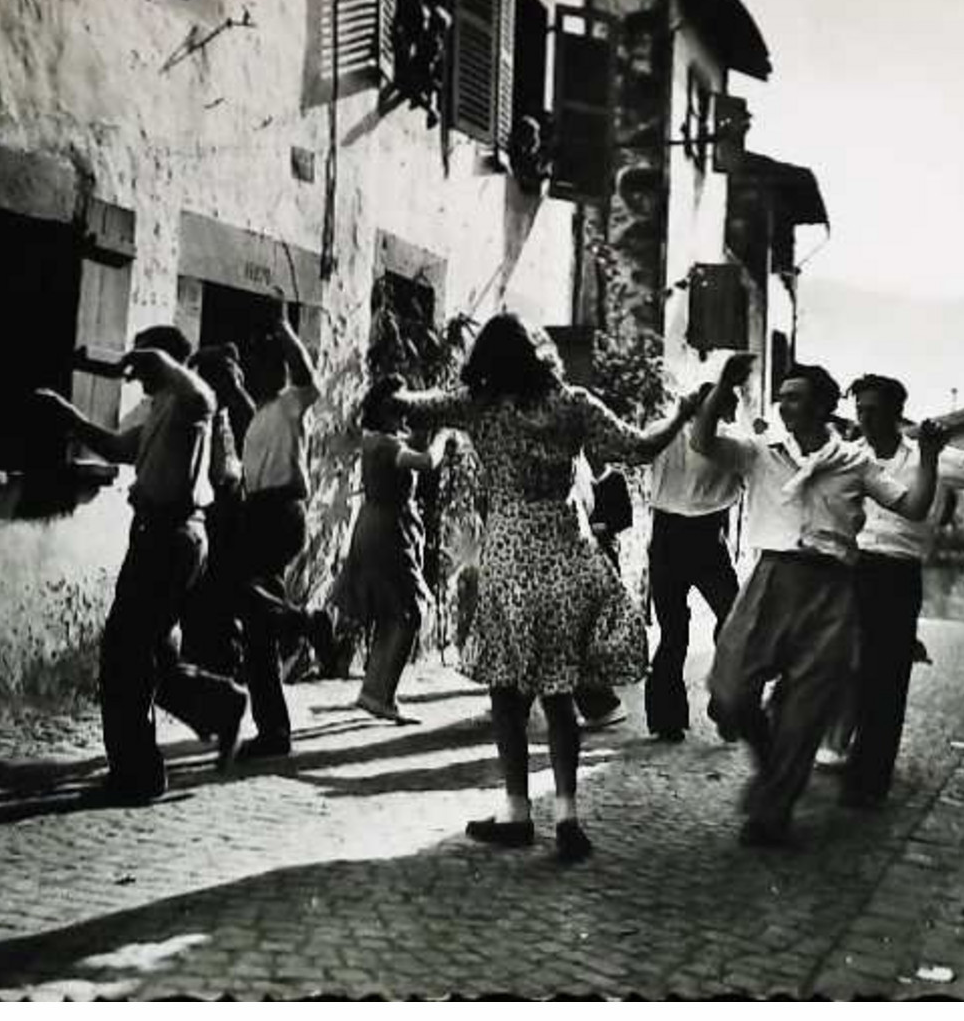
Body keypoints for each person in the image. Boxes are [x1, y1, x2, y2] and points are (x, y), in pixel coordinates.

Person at [381, 313, 703, 863]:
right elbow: (641, 447)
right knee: (560, 694)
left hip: (509, 556)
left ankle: (516, 813)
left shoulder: (477, 405)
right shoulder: (573, 404)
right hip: (567, 552)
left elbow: (407, 407)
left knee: (507, 694)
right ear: (537, 354)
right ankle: (568, 815)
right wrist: (683, 413)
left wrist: (395, 390)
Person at [694, 353, 945, 848]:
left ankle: (772, 814)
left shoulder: (856, 463)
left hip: (832, 587)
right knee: (730, 692)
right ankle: (774, 769)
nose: (785, 405)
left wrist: (930, 458)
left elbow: (913, 507)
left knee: (805, 710)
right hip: (770, 579)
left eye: (796, 398)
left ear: (824, 407)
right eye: (782, 397)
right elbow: (703, 442)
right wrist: (722, 387)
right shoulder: (762, 451)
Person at [34, 326, 249, 803]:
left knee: (123, 656)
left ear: (170, 367)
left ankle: (138, 775)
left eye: (148, 368)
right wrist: (67, 416)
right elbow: (115, 448)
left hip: (170, 538)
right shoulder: (162, 412)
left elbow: (204, 394)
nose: (140, 377)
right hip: (162, 536)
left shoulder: (191, 404)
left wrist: (160, 361)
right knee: (151, 655)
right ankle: (218, 706)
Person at [832, 379, 964, 807]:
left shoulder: (932, 457)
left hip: (896, 573)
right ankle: (833, 749)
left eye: (872, 410)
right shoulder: (853, 457)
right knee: (835, 666)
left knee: (886, 679)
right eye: (860, 410)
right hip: (849, 568)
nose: (864, 418)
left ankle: (869, 781)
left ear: (894, 413)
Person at [234, 306, 335, 760]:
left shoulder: (289, 404)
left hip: (279, 512)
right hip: (258, 513)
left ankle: (305, 621)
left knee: (248, 604)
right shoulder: (257, 416)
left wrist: (286, 332)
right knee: (256, 627)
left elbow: (309, 377)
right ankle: (273, 731)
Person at [333, 375, 453, 725]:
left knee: (393, 612)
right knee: (412, 610)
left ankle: (374, 691)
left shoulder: (378, 440)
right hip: (388, 531)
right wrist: (443, 437)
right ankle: (382, 695)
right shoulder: (385, 444)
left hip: (377, 526)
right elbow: (426, 463)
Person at [644, 382, 746, 743]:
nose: (734, 411)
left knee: (685, 630)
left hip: (679, 536)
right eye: (730, 404)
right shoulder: (729, 441)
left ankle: (682, 713)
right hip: (697, 537)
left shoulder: (661, 429)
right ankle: (716, 704)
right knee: (727, 624)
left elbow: (638, 451)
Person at [180, 343, 256, 679]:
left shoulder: (228, 412)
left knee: (227, 587)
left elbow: (251, 419)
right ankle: (210, 661)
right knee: (209, 589)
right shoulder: (197, 412)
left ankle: (224, 661)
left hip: (230, 504)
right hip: (209, 508)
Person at [570, 456, 634, 730]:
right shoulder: (578, 475)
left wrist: (604, 527)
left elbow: (624, 516)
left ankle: (599, 701)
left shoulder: (613, 479)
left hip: (601, 553)